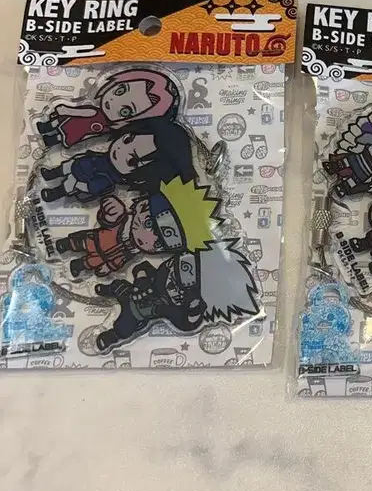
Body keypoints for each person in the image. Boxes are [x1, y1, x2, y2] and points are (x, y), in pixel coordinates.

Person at [95, 239, 259, 353]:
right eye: (173, 278)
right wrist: (141, 280)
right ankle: (107, 289)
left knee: (125, 326)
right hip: (130, 292)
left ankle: (112, 336)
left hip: (136, 314)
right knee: (118, 286)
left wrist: (194, 311)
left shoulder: (172, 308)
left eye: (180, 290)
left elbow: (186, 324)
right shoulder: (159, 276)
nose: (171, 287)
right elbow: (142, 267)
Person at [54, 177, 220, 279]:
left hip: (105, 258)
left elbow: (122, 260)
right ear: (141, 206)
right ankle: (66, 244)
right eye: (149, 224)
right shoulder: (123, 218)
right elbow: (108, 218)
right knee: (84, 241)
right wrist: (112, 210)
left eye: (159, 244)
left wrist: (109, 267)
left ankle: (79, 265)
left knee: (93, 261)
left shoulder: (133, 251)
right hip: (98, 239)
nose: (149, 240)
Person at [39, 117, 195, 203]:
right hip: (87, 163)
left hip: (83, 180)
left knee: (69, 183)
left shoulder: (108, 180)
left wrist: (78, 184)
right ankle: (53, 173)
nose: (120, 151)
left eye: (132, 160)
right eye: (127, 140)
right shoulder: (99, 156)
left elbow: (93, 188)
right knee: (70, 164)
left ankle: (56, 192)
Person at [36, 69, 179, 149]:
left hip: (79, 128)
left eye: (125, 111)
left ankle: (50, 136)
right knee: (63, 125)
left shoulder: (98, 117)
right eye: (120, 90)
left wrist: (67, 110)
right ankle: (47, 130)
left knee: (65, 130)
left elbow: (83, 113)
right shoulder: (100, 117)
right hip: (79, 127)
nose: (113, 102)